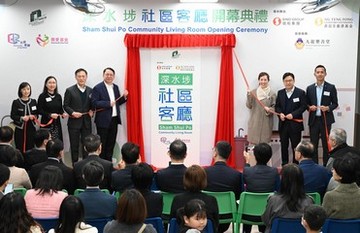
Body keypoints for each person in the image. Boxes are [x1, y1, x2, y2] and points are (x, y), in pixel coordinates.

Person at [262, 164, 314, 233]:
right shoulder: (309, 202)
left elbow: (266, 220)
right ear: (301, 180)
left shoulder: (273, 200)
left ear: (283, 180)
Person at [91, 67, 128, 161]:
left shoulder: (115, 87)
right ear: (103, 75)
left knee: (111, 144)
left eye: (111, 75)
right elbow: (94, 103)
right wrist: (107, 103)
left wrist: (124, 97)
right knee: (102, 144)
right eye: (107, 74)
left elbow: (117, 102)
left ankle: (109, 163)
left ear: (114, 76)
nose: (109, 76)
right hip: (102, 121)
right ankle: (102, 163)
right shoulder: (97, 87)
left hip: (114, 120)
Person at [243, 143, 280, 233]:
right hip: (267, 214)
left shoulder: (247, 171)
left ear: (255, 155)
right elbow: (278, 191)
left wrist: (247, 163)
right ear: (270, 156)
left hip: (248, 213)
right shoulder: (274, 172)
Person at [170, 165, 219, 233]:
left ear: (185, 180)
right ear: (204, 180)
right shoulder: (211, 200)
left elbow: (173, 222)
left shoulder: (177, 199)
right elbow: (215, 225)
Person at [306, 65, 338, 165]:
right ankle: (315, 166)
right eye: (318, 72)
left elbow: (335, 103)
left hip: (326, 121)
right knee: (313, 145)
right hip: (314, 120)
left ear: (325, 74)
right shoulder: (310, 88)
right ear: (314, 74)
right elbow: (306, 104)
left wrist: (328, 108)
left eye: (322, 72)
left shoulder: (331, 87)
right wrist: (309, 107)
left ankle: (326, 167)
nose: (320, 74)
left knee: (326, 145)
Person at [275, 72, 307, 165]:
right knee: (284, 146)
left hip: (295, 125)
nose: (288, 83)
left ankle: (296, 165)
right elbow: (277, 106)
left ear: (294, 81)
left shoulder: (300, 92)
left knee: (296, 147)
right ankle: (284, 165)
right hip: (283, 125)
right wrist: (280, 114)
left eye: (290, 80)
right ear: (283, 82)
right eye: (286, 81)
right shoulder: (280, 93)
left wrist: (293, 115)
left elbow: (303, 106)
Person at [63, 68, 93, 164]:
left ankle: (86, 165)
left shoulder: (91, 90)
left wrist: (92, 110)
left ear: (86, 77)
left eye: (83, 76)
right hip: (74, 123)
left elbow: (93, 104)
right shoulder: (69, 90)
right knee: (74, 145)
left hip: (86, 123)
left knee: (87, 145)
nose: (81, 78)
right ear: (75, 77)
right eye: (79, 76)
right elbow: (65, 105)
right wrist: (72, 113)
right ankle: (75, 165)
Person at [322, 154, 360, 219]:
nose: (332, 171)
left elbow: (323, 218)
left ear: (340, 176)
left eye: (334, 169)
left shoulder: (330, 196)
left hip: (334, 229)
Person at [246, 72, 276, 144]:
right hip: (254, 123)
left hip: (266, 123)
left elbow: (274, 107)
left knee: (264, 147)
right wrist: (249, 95)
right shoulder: (253, 92)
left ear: (268, 81)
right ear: (259, 80)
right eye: (261, 79)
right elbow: (249, 105)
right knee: (253, 148)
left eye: (265, 80)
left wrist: (270, 110)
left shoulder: (272, 93)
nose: (263, 82)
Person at [10, 82, 38, 153]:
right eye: (24, 89)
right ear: (20, 90)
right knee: (20, 147)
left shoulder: (33, 101)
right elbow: (13, 115)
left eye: (28, 89)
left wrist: (33, 117)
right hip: (20, 129)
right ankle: (20, 163)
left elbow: (37, 114)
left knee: (31, 147)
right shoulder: (16, 102)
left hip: (31, 128)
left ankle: (30, 163)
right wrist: (22, 118)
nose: (26, 91)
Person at [37, 76, 67, 141]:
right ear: (46, 84)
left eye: (54, 83)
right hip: (46, 124)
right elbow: (39, 110)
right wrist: (50, 115)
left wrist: (63, 113)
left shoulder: (58, 96)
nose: (52, 84)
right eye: (50, 83)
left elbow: (60, 109)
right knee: (46, 142)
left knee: (56, 143)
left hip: (56, 124)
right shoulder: (42, 96)